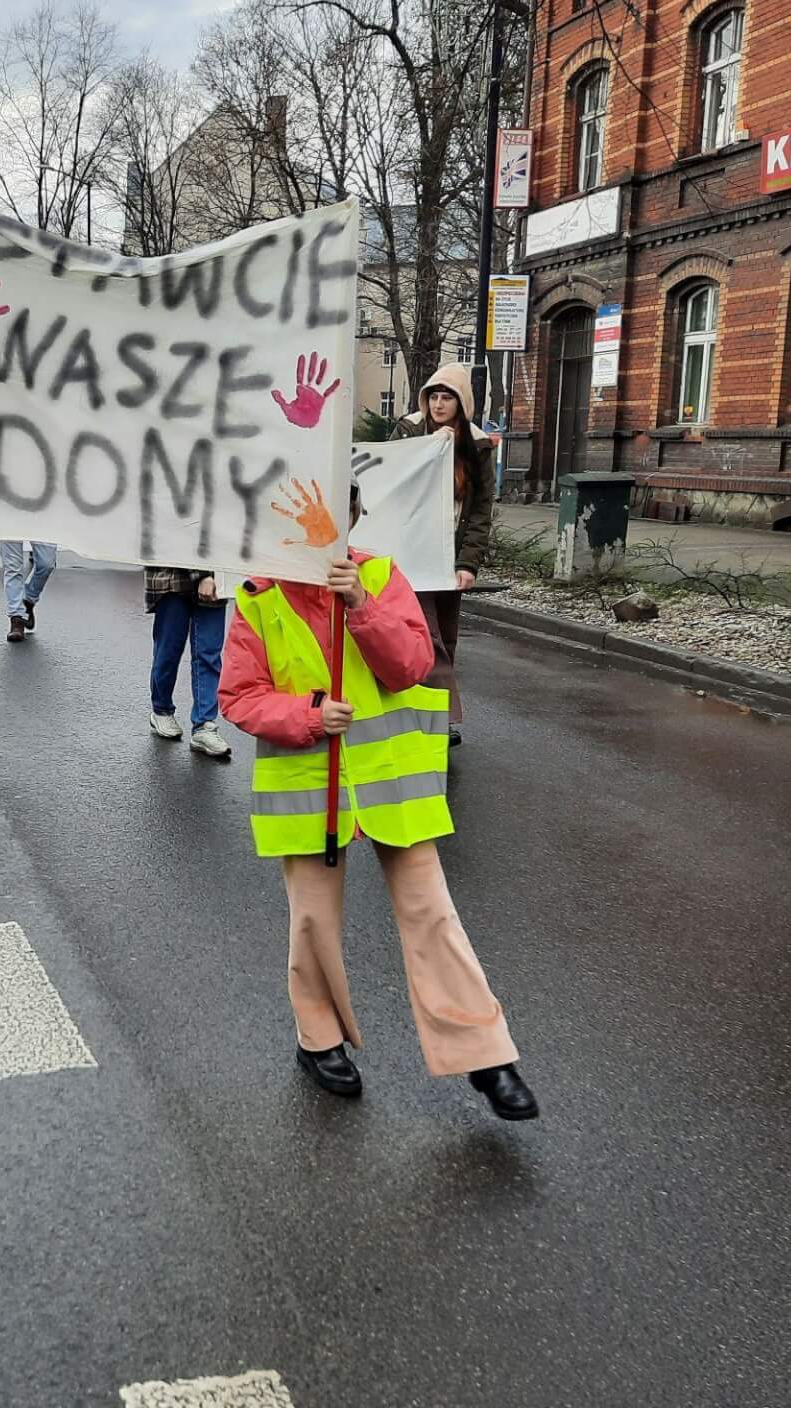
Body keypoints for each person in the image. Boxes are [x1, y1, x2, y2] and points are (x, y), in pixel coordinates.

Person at [217, 473, 536, 1121]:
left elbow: (412, 666)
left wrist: (361, 604)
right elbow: (239, 696)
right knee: (313, 921)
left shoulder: (383, 575)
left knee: (431, 915)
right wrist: (308, 714)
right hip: (310, 785)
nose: (320, 529)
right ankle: (319, 1039)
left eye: (338, 513)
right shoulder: (256, 596)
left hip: (392, 786)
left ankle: (486, 1055)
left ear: (355, 516)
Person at [391, 364, 494, 746]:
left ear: (460, 403)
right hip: (410, 552)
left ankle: (426, 709)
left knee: (446, 636)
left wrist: (469, 562)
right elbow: (391, 481)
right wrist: (431, 448)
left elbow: (481, 507)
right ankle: (438, 715)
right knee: (425, 634)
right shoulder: (408, 430)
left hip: (448, 554)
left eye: (446, 397)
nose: (437, 404)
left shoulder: (477, 444)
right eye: (433, 396)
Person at [145, 566, 230, 759]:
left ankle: (204, 725)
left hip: (215, 575)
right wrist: (203, 575)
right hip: (173, 577)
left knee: (208, 653)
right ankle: (161, 710)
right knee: (169, 649)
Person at [1, 541, 57, 643]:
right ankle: (17, 618)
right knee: (12, 567)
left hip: (42, 524)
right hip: (9, 525)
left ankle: (28, 599)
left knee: (46, 564)